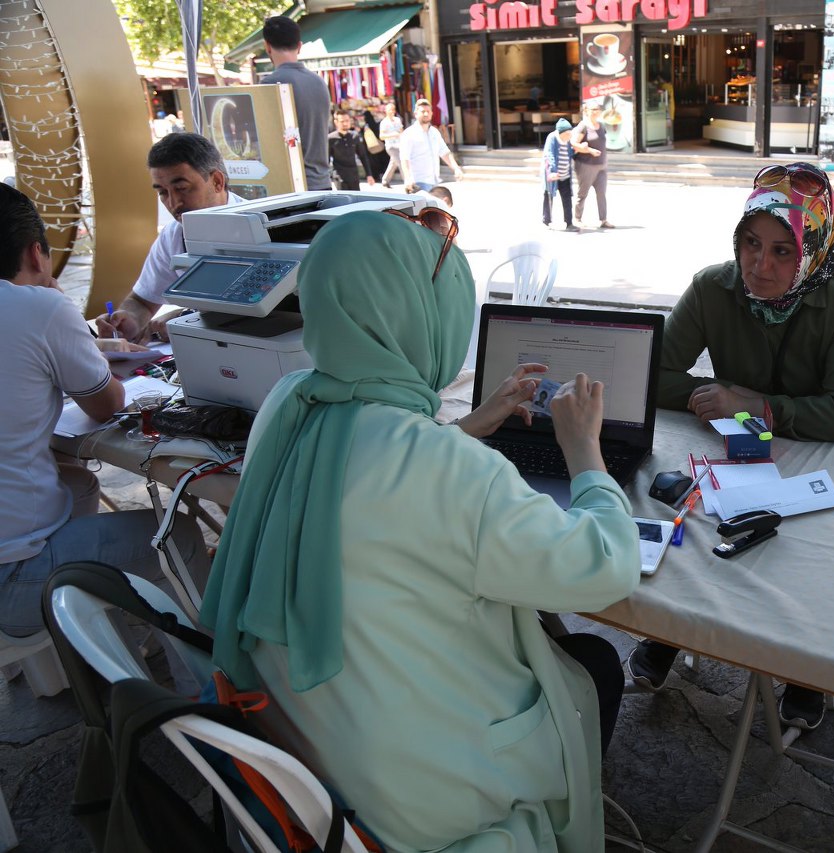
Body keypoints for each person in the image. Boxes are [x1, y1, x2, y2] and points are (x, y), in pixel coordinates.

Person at [199, 209, 640, 851]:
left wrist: (461, 428)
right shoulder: (449, 470)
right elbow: (602, 567)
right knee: (593, 662)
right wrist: (584, 454)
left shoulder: (287, 404)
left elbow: (366, 482)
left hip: (305, 747)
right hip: (420, 797)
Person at [628, 162, 834, 731]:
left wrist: (752, 404)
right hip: (740, 451)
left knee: (813, 546)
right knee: (680, 508)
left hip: (829, 457)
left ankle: (805, 669)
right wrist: (711, 395)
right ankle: (671, 628)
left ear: (813, 248)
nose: (759, 267)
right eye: (750, 245)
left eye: (782, 252)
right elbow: (654, 372)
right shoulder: (714, 286)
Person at [0, 184, 208, 636]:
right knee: (184, 537)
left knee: (76, 482)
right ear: (37, 254)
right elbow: (106, 404)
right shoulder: (39, 306)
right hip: (10, 580)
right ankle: (212, 685)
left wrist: (85, 343)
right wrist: (56, 306)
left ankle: (107, 642)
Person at [94, 133, 244, 343]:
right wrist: (129, 319)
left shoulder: (261, 228)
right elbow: (143, 300)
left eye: (182, 189)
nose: (174, 203)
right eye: (163, 193)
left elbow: (272, 309)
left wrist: (187, 318)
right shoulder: (173, 235)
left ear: (217, 182)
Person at [260, 15, 332, 192]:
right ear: (299, 46)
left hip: (290, 188)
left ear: (267, 46)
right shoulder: (319, 82)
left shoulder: (269, 84)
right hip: (322, 183)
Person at [400, 98, 463, 193]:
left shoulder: (434, 132)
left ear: (432, 113)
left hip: (434, 181)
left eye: (428, 111)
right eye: (423, 111)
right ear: (416, 113)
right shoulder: (408, 134)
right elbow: (405, 158)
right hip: (417, 183)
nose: (426, 114)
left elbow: (444, 152)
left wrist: (456, 168)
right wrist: (408, 178)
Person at [571, 101, 612, 229]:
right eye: (593, 109)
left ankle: (603, 220)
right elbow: (573, 144)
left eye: (598, 109)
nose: (596, 112)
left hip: (601, 165)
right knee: (582, 193)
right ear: (586, 111)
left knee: (601, 193)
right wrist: (589, 150)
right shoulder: (583, 126)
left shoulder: (601, 125)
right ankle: (577, 219)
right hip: (585, 165)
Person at [543, 118, 577, 232]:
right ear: (561, 133)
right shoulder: (552, 138)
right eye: (567, 134)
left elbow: (569, 153)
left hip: (565, 174)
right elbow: (549, 155)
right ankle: (546, 221)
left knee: (567, 199)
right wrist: (552, 171)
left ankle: (569, 223)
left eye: (570, 133)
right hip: (554, 174)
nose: (569, 136)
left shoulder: (567, 139)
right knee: (549, 196)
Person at [327, 112, 375, 191]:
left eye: (347, 120)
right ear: (336, 122)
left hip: (354, 175)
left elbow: (363, 156)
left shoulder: (355, 136)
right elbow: (327, 159)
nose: (345, 123)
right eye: (342, 121)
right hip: (339, 176)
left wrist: (369, 174)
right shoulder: (331, 138)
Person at [378, 101, 404, 187]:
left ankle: (385, 180)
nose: (391, 111)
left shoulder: (397, 120)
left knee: (393, 163)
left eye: (393, 110)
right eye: (390, 110)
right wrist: (393, 134)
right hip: (391, 146)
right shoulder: (384, 122)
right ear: (386, 111)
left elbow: (401, 130)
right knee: (401, 162)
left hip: (399, 145)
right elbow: (381, 136)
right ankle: (407, 180)